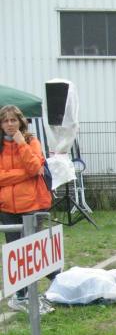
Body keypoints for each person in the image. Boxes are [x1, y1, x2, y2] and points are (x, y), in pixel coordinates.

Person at [0, 105, 54, 314]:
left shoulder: (32, 142)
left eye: (13, 120)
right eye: (5, 120)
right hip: (7, 207)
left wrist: (21, 144)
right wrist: (23, 174)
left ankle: (46, 286)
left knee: (32, 253)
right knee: (15, 253)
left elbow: (34, 167)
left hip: (32, 205)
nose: (10, 124)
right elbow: (28, 172)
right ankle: (20, 295)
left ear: (21, 121)